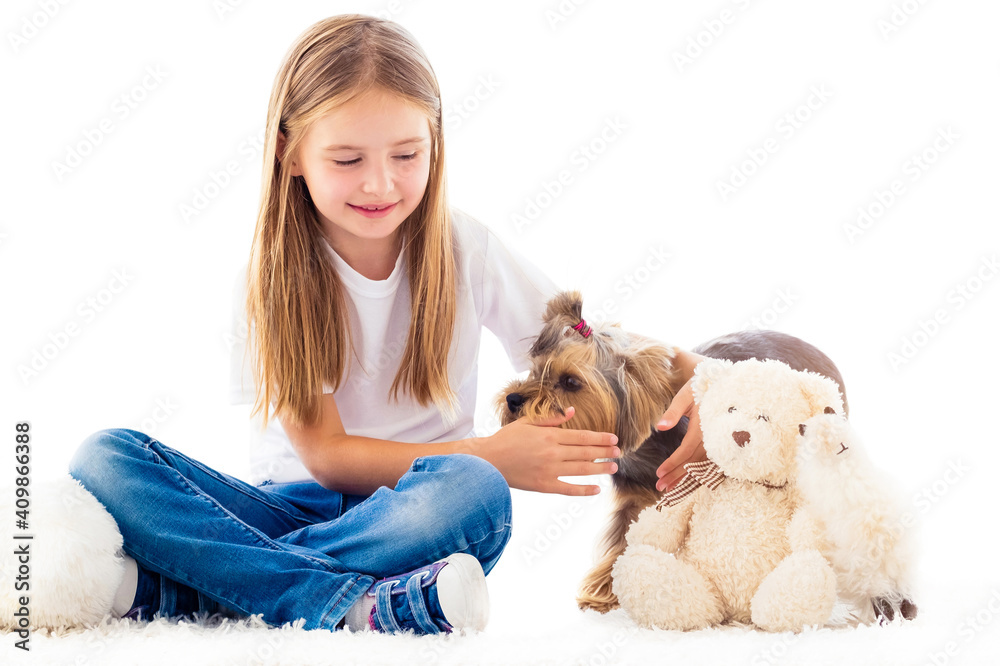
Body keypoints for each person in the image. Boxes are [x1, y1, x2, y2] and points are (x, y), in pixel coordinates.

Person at [68, 14, 706, 635]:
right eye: (346, 160)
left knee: (476, 493)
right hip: (292, 507)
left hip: (421, 512)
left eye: (406, 154)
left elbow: (599, 345)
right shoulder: (273, 280)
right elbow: (328, 457)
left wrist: (717, 385)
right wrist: (494, 452)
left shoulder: (466, 250)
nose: (380, 183)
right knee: (106, 456)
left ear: (435, 143)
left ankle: (201, 589)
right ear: (291, 154)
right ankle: (360, 604)